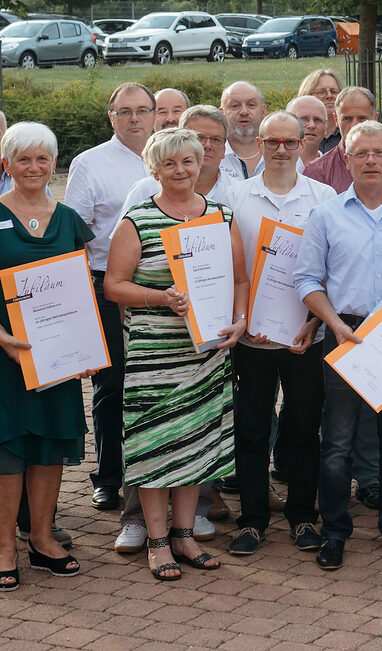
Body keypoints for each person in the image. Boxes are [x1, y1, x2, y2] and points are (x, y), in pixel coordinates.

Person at [104, 127, 249, 580]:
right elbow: (113, 286)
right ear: (154, 169)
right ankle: (158, 540)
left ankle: (185, 535)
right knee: (153, 445)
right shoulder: (137, 220)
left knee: (195, 443)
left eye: (188, 160)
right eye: (169, 163)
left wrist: (241, 320)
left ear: (202, 162)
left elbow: (241, 280)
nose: (181, 170)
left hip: (205, 351)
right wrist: (161, 297)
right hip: (155, 356)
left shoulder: (221, 217)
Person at [292, 120, 382, 571]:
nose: (370, 160)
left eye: (378, 153)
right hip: (344, 333)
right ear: (346, 159)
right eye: (361, 154)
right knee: (336, 441)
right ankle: (335, 532)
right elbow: (307, 279)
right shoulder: (327, 214)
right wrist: (332, 324)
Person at [222, 112, 337, 556]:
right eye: (273, 141)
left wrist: (316, 322)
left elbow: (332, 266)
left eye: (291, 141)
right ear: (261, 144)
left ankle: (303, 517)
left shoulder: (323, 197)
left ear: (303, 141)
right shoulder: (235, 197)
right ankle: (253, 520)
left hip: (305, 336)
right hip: (251, 337)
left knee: (304, 431)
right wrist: (242, 317)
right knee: (251, 430)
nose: (283, 149)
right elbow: (229, 271)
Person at [0, 122, 93, 592]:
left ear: (53, 164)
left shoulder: (70, 219)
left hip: (57, 361)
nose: (33, 168)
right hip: (4, 360)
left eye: (42, 159)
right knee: (8, 451)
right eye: (23, 159)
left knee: (49, 448)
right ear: (6, 165)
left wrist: (87, 343)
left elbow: (82, 288)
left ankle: (41, 539)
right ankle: (3, 548)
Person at [65, 82, 154, 515]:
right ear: (111, 117)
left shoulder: (169, 156)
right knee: (111, 383)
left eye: (142, 110)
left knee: (155, 381)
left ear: (156, 115)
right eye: (125, 111)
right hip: (106, 286)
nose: (134, 119)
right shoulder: (89, 163)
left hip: (162, 288)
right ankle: (108, 477)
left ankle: (155, 471)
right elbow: (74, 237)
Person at [303, 87, 382, 195]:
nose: (354, 125)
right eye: (347, 119)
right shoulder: (318, 171)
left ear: (375, 118)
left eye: (362, 118)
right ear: (336, 119)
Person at [219, 82, 269, 182]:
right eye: (235, 106)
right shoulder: (212, 156)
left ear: (263, 111)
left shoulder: (282, 152)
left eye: (251, 105)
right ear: (222, 113)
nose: (244, 112)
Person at [297, 69, 342, 153]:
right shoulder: (297, 133)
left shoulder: (346, 134)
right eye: (322, 92)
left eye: (334, 91)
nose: (329, 96)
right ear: (307, 95)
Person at [286, 96, 329, 165]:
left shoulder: (335, 169)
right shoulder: (272, 168)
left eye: (317, 120)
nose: (312, 125)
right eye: (303, 119)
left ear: (326, 127)